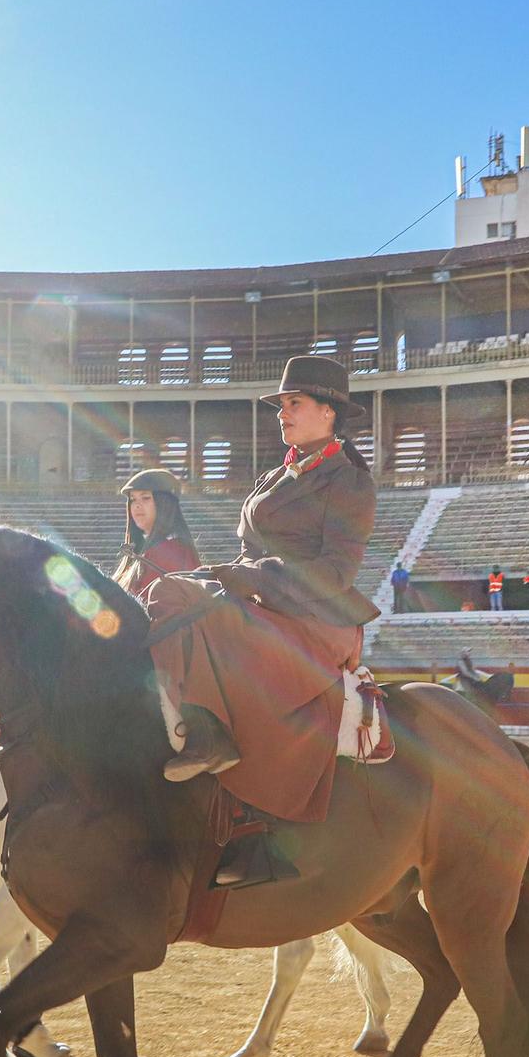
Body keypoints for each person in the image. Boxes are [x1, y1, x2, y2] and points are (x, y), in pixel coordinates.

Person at [144, 355, 377, 839]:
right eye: (281, 404)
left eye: (294, 403)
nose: (282, 412)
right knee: (166, 592)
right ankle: (199, 727)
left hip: (318, 618)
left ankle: (236, 781)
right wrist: (233, 577)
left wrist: (255, 580)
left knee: (207, 619)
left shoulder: (349, 479)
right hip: (266, 603)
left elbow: (336, 572)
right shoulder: (276, 475)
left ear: (328, 412)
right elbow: (251, 551)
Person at [114, 468, 201, 599]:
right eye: (133, 499)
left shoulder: (172, 551)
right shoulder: (142, 551)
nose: (137, 505)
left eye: (145, 498)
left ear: (164, 504)